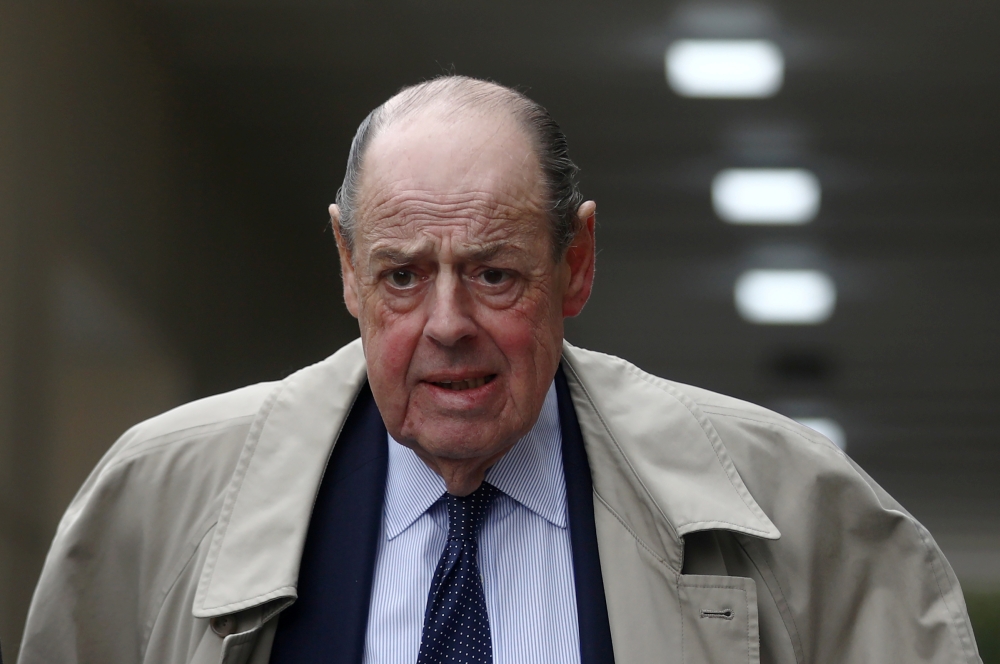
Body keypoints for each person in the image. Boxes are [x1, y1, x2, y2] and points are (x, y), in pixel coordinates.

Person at [19, 76, 981, 664]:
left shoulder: (797, 517)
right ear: (346, 267)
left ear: (577, 263)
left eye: (493, 274)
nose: (448, 325)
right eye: (402, 276)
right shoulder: (159, 504)